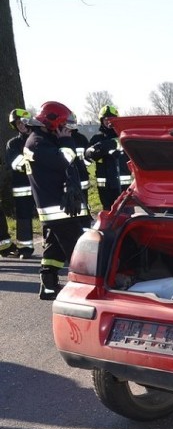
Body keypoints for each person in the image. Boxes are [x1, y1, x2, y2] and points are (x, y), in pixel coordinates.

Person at [23, 101, 89, 299]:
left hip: (61, 206)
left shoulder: (44, 140)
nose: (67, 131)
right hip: (58, 210)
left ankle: (49, 287)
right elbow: (63, 161)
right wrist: (66, 142)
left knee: (56, 249)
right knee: (77, 251)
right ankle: (84, 291)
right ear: (53, 123)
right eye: (64, 126)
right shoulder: (37, 143)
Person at [85, 104, 131, 211]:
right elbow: (88, 157)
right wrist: (101, 149)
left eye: (111, 118)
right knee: (107, 213)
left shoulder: (123, 136)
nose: (108, 121)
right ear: (101, 121)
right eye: (105, 119)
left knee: (126, 212)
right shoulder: (96, 138)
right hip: (105, 186)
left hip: (123, 185)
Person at [6, 108, 37, 258]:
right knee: (23, 218)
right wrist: (35, 163)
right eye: (18, 123)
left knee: (47, 218)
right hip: (22, 188)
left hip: (41, 187)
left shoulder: (40, 138)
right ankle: (25, 248)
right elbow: (15, 162)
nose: (21, 125)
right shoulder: (13, 143)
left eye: (23, 122)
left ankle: (53, 248)